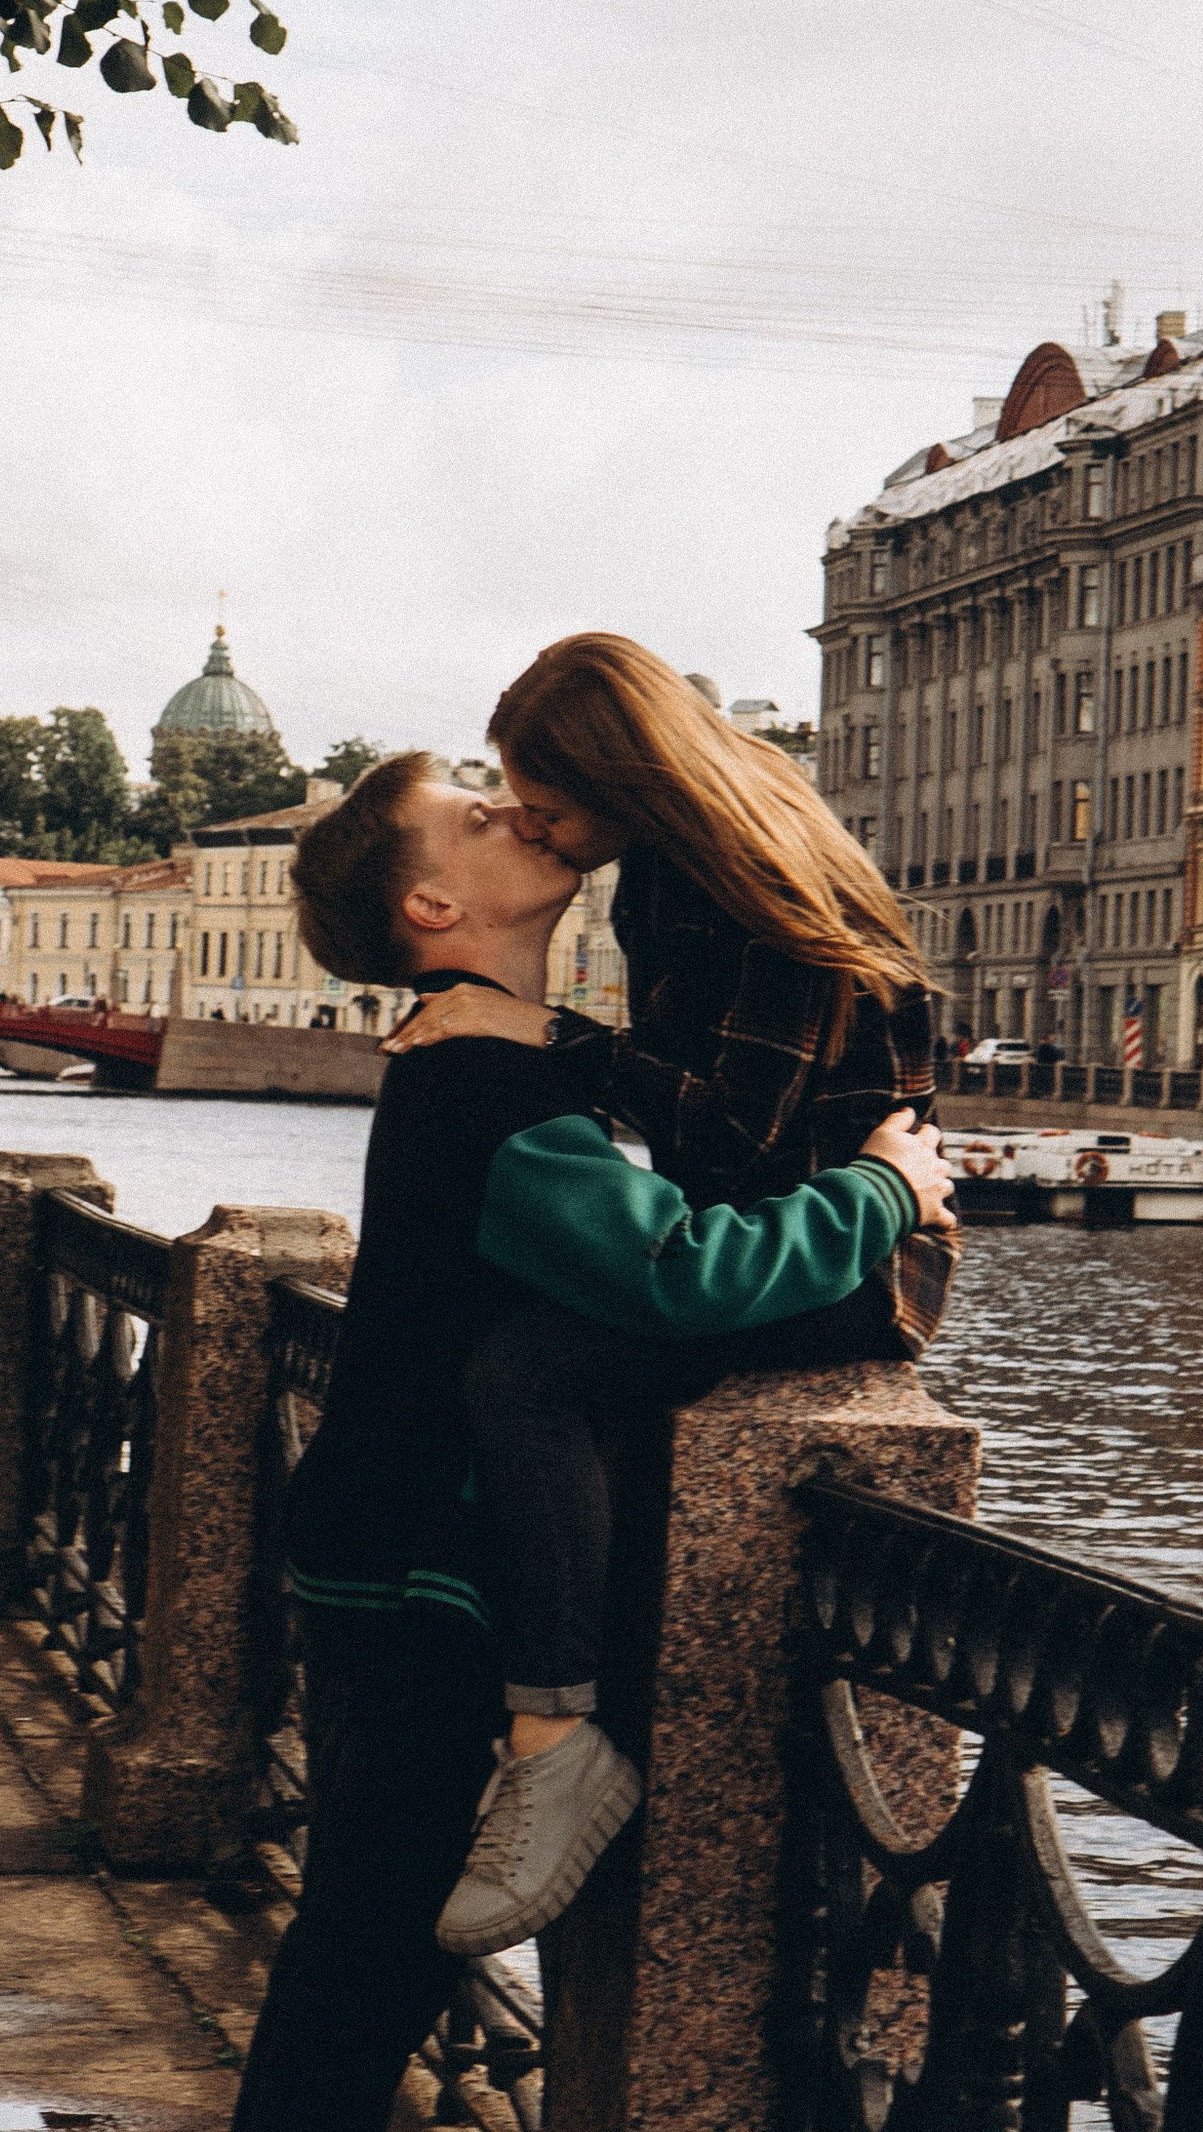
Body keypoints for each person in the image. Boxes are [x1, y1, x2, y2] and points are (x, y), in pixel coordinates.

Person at [207, 753, 952, 2132]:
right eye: (474, 808)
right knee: (361, 1967)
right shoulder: (488, 1089)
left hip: (381, 1547)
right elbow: (674, 1272)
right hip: (415, 1572)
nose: (512, 807)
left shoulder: (497, 1059)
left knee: (351, 1957)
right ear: (430, 911)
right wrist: (882, 1196)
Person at [381, 635, 952, 1954]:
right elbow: (710, 1145)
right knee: (537, 1355)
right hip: (779, 1232)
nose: (535, 827)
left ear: (623, 777)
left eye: (549, 803)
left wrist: (550, 1039)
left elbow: (743, 1146)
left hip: (851, 1261)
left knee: (527, 1372)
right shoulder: (678, 868)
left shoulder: (742, 886)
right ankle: (555, 1721)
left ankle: (558, 1737)